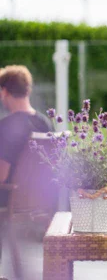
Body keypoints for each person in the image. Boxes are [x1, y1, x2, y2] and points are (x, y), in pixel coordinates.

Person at [0, 65, 52, 208]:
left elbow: (1, 176)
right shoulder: (45, 124)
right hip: (42, 203)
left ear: (4, 92)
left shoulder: (5, 127)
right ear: (27, 90)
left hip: (10, 204)